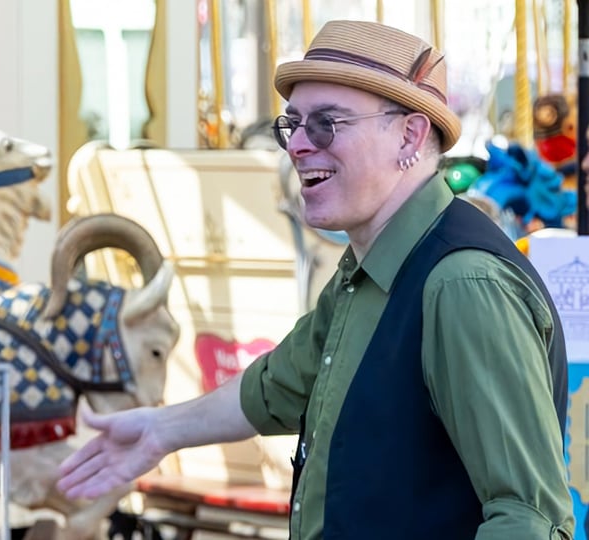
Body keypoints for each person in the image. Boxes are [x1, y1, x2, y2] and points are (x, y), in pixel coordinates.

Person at [58, 20, 575, 539]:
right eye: (293, 125)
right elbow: (276, 387)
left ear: (410, 135)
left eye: (327, 123)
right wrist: (160, 431)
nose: (298, 145)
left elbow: (529, 516)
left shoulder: (462, 283)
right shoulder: (371, 268)